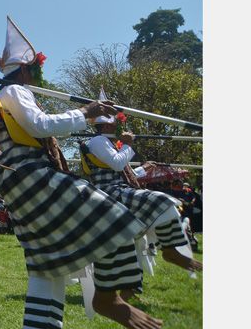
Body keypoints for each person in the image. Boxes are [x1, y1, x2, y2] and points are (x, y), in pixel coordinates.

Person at [0, 17, 161, 329]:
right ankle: (107, 298)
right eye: (35, 72)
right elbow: (41, 125)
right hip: (32, 177)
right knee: (115, 218)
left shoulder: (5, 95)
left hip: (18, 182)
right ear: (26, 70)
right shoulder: (16, 90)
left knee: (45, 266)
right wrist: (85, 113)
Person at [80, 95, 202, 296]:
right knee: (163, 201)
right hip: (110, 194)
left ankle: (130, 290)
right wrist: (128, 145)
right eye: (116, 127)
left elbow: (123, 171)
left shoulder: (107, 143)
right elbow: (119, 163)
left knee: (135, 239)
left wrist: (143, 169)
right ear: (109, 126)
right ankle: (170, 251)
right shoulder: (99, 141)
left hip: (119, 190)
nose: (118, 130)